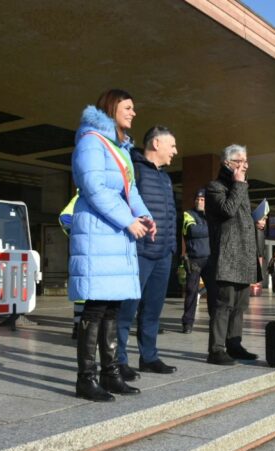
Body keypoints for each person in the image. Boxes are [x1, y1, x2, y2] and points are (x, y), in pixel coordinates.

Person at [69, 89, 156, 401]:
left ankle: (111, 373)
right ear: (112, 107)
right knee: (95, 308)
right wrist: (126, 219)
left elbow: (129, 189)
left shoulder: (119, 148)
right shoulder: (92, 140)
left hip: (114, 233)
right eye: (128, 107)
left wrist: (144, 216)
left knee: (113, 307)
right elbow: (92, 186)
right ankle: (86, 378)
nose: (133, 113)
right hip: (98, 232)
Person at [115, 126, 178, 380]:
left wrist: (172, 246)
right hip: (139, 252)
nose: (175, 151)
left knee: (153, 310)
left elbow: (171, 214)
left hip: (163, 253)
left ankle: (149, 357)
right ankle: (118, 361)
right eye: (171, 145)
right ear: (156, 144)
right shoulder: (135, 169)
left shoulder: (165, 177)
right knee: (126, 311)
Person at [204, 144, 258, 365]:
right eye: (240, 161)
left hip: (244, 254)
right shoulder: (215, 187)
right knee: (224, 304)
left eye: (246, 161)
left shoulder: (241, 186)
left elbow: (242, 218)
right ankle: (216, 349)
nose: (244, 165)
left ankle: (234, 344)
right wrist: (238, 185)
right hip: (227, 254)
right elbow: (227, 210)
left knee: (240, 305)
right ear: (228, 163)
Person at [181, 189, 211, 334]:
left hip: (210, 260)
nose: (200, 202)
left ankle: (215, 322)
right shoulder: (188, 214)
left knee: (213, 293)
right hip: (194, 260)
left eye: (203, 200)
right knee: (191, 292)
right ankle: (188, 323)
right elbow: (192, 231)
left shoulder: (211, 215)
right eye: (198, 199)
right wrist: (211, 228)